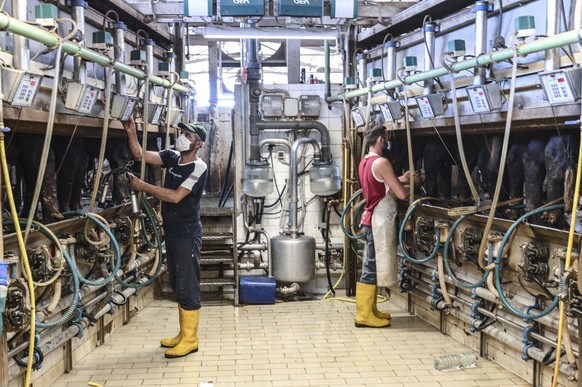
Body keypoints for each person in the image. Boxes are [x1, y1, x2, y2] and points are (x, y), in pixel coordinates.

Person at [122, 116, 208, 358]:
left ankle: (190, 339)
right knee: (178, 280)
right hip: (172, 231)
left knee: (188, 282)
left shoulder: (198, 167)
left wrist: (143, 187)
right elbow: (140, 155)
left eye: (188, 135)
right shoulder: (172, 156)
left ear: (198, 143)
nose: (182, 137)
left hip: (187, 234)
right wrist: (131, 132)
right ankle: (183, 333)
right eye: (182, 133)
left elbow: (175, 196)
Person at [356, 124, 422, 328]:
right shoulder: (383, 162)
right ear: (380, 140)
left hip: (370, 218)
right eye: (386, 138)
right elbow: (401, 193)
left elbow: (384, 182)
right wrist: (416, 183)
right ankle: (363, 315)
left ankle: (371, 309)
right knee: (370, 266)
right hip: (379, 220)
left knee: (371, 264)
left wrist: (402, 178)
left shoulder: (365, 162)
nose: (387, 142)